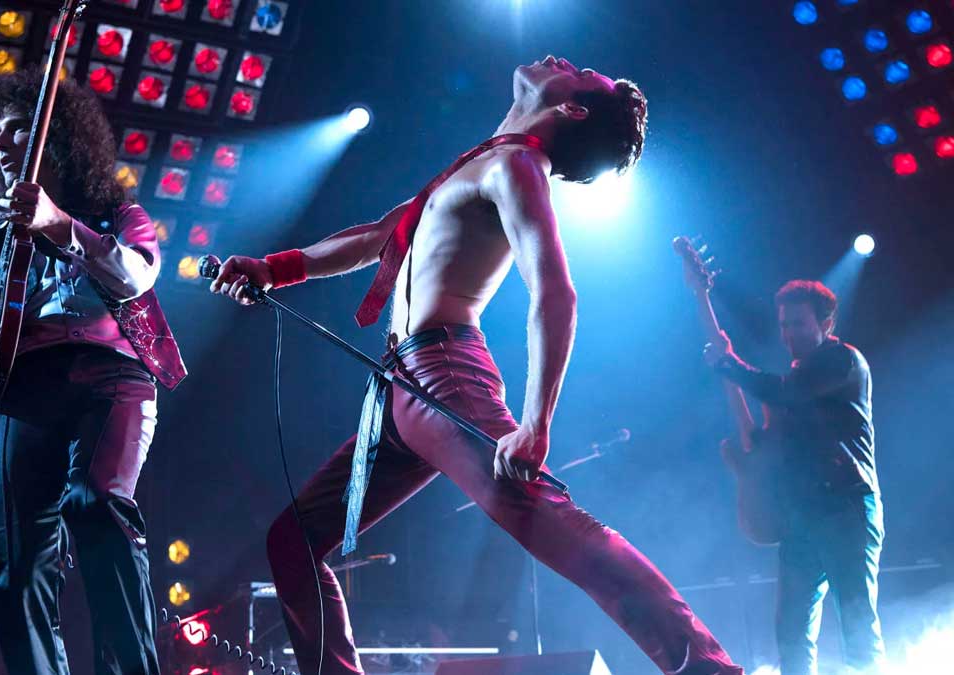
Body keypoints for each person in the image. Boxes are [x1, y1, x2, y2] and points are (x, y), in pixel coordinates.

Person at [212, 56, 743, 675]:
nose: (560, 60)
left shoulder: (519, 166)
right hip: (395, 388)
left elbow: (555, 292)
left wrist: (536, 423)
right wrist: (275, 269)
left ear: (571, 108)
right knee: (294, 541)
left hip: (444, 374)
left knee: (546, 516)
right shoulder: (482, 161)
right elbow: (380, 238)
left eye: (578, 72)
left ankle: (709, 666)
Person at [0, 68, 184, 675]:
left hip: (112, 378)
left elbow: (137, 278)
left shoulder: (121, 219)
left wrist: (58, 224)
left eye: (18, 131)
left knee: (96, 507)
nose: (2, 146)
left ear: (57, 139)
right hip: (20, 389)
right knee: (15, 566)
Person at [705, 280, 883, 675]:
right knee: (791, 630)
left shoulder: (842, 362)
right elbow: (775, 437)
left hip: (846, 506)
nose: (788, 334)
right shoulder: (794, 383)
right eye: (784, 325)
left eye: (798, 324)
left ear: (826, 323)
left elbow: (788, 392)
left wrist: (730, 364)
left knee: (856, 625)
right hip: (801, 518)